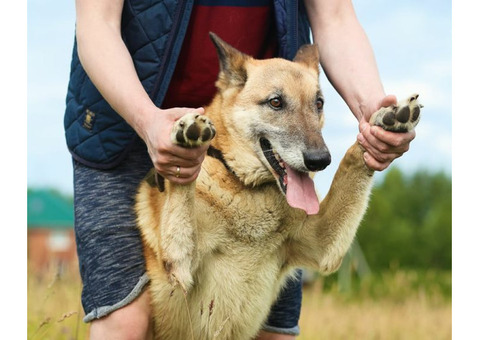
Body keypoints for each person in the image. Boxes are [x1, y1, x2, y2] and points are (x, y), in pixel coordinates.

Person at [65, 0, 415, 339]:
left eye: (318, 104)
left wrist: (373, 121)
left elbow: (335, 16)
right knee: (126, 323)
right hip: (122, 128)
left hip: (255, 146)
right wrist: (147, 121)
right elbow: (97, 23)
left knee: (274, 334)